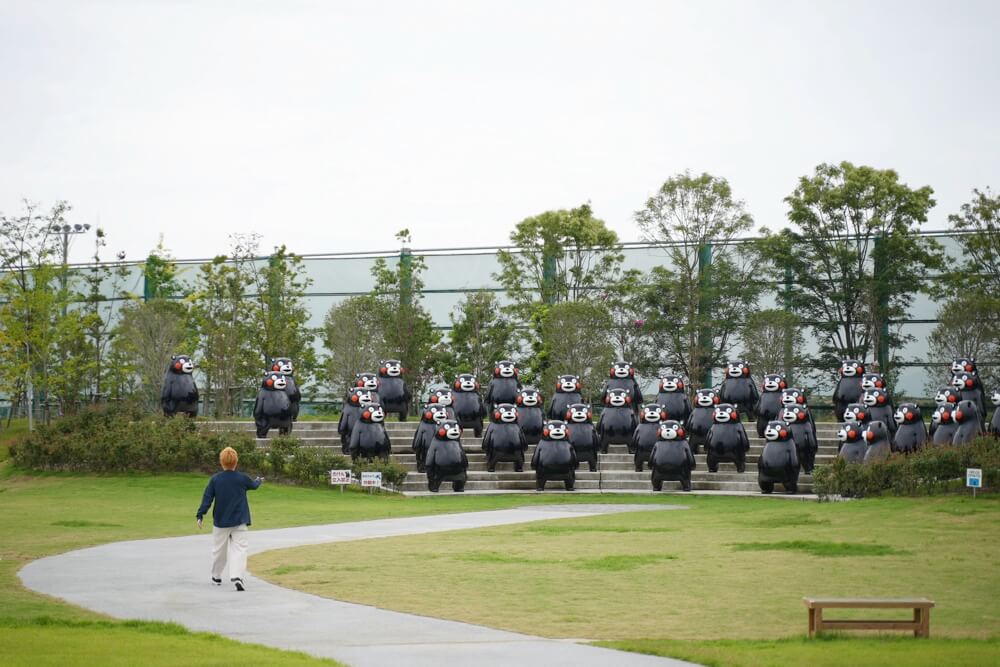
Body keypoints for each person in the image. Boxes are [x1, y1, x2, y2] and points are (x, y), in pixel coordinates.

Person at [196, 447, 263, 591]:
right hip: (240, 521)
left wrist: (200, 514)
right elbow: (254, 485)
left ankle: (216, 576)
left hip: (221, 522)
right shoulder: (242, 478)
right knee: (240, 549)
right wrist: (259, 480)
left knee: (219, 550)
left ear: (221, 462)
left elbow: (207, 498)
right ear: (236, 461)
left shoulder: (215, 479)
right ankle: (237, 576)